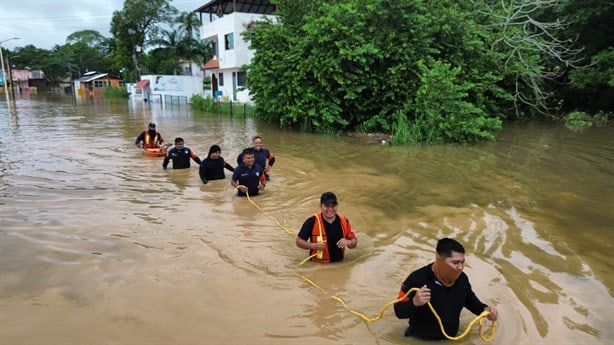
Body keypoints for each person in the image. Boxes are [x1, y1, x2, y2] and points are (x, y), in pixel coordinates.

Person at [394, 238, 499, 341]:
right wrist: (415, 302)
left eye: (462, 262)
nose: (460, 267)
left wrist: (486, 310)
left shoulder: (462, 279)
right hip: (420, 340)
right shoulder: (416, 279)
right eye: (455, 263)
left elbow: (471, 302)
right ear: (440, 261)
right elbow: (398, 311)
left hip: (451, 339)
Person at [295, 192, 357, 263]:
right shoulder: (311, 222)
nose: (330, 209)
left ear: (337, 206)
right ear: (320, 206)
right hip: (318, 266)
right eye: (327, 205)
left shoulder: (344, 221)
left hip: (340, 264)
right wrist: (313, 246)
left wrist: (348, 242)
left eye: (333, 205)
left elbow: (354, 242)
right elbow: (298, 241)